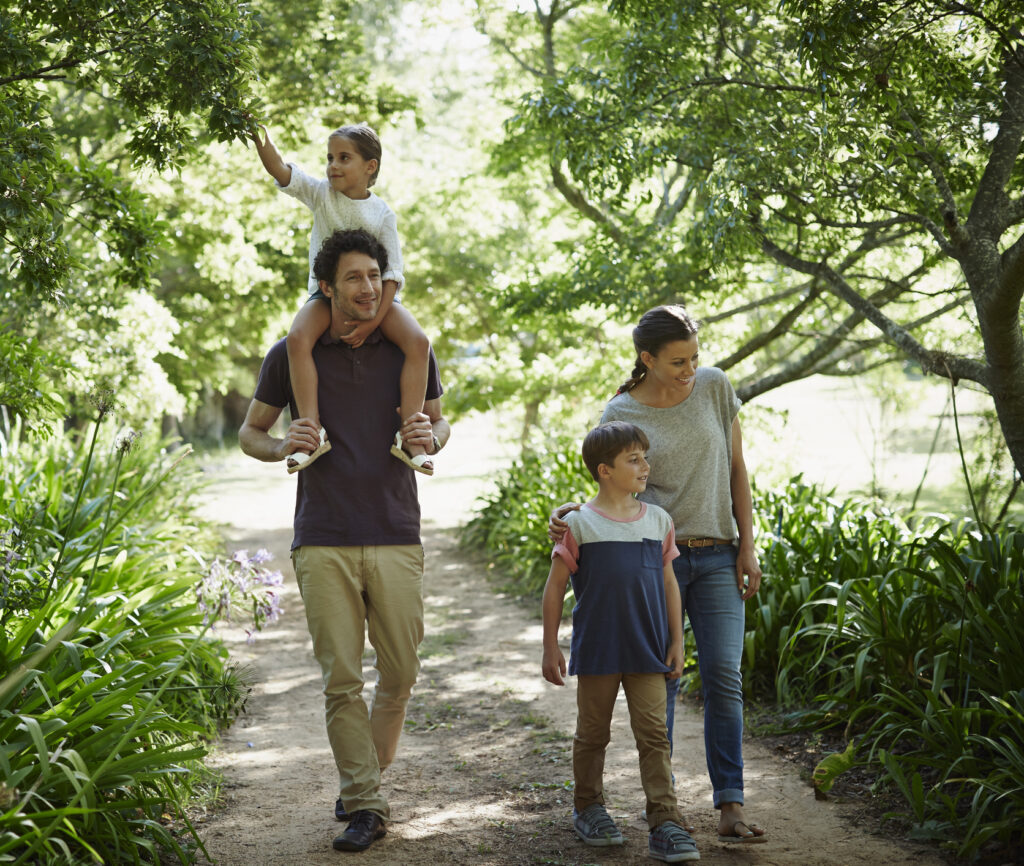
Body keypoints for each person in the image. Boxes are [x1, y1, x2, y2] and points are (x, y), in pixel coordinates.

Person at [239, 228, 450, 854]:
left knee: (401, 672)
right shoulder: (291, 352)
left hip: (395, 531)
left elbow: (439, 422)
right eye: (352, 278)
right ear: (326, 287)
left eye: (373, 278)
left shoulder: (407, 350)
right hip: (323, 535)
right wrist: (281, 446)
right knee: (341, 681)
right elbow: (251, 432)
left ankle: (364, 776)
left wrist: (430, 437)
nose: (366, 289)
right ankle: (364, 800)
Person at [549, 305, 766, 845]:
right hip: (654, 560)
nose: (690, 368)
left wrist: (748, 546)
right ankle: (664, 814)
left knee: (723, 678)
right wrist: (573, 512)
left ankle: (730, 805)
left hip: (718, 553)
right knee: (662, 684)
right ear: (646, 359)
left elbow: (738, 469)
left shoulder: (715, 388)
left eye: (695, 357)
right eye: (677, 361)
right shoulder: (620, 409)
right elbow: (611, 479)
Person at [542, 421, 700, 863]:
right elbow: (554, 589)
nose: (645, 466)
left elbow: (670, 585)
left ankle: (665, 820)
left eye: (644, 457)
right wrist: (550, 646)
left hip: (648, 649)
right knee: (592, 735)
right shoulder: (579, 524)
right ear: (604, 470)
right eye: (634, 459)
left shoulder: (658, 520)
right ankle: (588, 807)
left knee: (654, 736)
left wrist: (677, 641)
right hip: (598, 651)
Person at [252, 122, 434, 474]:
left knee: (418, 340)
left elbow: (392, 275)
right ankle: (312, 431)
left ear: (370, 166)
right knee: (299, 338)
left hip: (379, 301)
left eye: (344, 158)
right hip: (325, 297)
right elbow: (281, 170)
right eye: (330, 158)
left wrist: (374, 324)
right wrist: (260, 138)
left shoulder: (382, 214)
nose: (333, 165)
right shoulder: (321, 195)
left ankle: (411, 436)